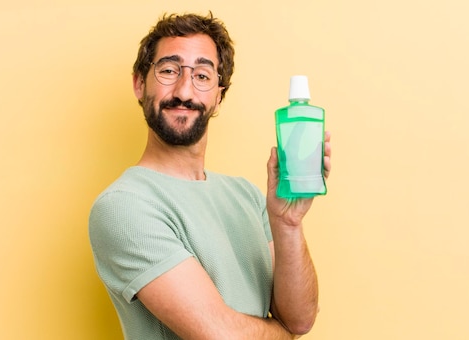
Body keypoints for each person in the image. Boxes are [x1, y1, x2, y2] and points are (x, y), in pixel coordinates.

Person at [89, 12, 332, 339]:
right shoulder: (122, 207)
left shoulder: (247, 195)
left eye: (202, 75)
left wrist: (288, 223)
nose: (184, 91)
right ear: (139, 83)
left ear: (219, 95)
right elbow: (221, 335)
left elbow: (300, 320)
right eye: (168, 70)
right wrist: (282, 334)